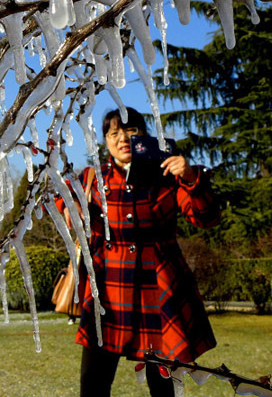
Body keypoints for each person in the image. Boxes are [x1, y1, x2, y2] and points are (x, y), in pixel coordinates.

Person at [74, 108, 220, 397]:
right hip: (109, 294)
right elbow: (65, 215)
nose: (123, 138)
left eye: (130, 131)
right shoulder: (93, 180)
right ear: (105, 141)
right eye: (113, 133)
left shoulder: (167, 174)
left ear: (145, 135)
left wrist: (190, 177)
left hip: (160, 291)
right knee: (93, 383)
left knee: (162, 385)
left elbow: (206, 218)